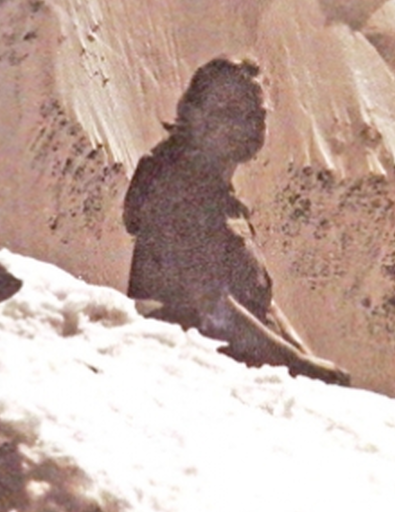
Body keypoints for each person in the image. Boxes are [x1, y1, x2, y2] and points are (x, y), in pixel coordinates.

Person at [124, 58, 349, 385]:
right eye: (230, 112)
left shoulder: (220, 199)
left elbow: (259, 303)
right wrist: (299, 364)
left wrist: (305, 360)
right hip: (190, 385)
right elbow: (211, 305)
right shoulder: (177, 190)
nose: (248, 125)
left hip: (231, 384)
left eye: (256, 115)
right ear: (195, 115)